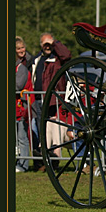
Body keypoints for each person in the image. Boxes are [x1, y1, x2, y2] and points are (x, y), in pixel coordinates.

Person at [30, 32, 72, 171]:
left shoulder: (57, 57)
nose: (47, 46)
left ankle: (54, 160)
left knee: (54, 128)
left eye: (49, 43)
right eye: (45, 44)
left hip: (53, 100)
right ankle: (43, 161)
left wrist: (55, 43)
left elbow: (67, 55)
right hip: (38, 99)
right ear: (40, 45)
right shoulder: (37, 59)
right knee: (40, 129)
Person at [15, 59, 33, 172]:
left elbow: (18, 86)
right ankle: (18, 162)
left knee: (22, 137)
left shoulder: (21, 68)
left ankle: (23, 164)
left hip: (21, 107)